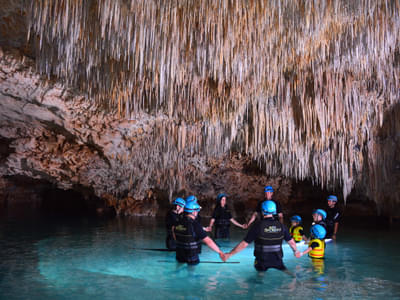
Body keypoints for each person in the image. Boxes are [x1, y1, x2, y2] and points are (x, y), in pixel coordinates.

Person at [222, 200, 299, 272]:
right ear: (274, 211)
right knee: (285, 271)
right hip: (278, 260)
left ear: (263, 211)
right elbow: (291, 242)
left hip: (261, 262)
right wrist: (296, 251)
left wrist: (229, 254)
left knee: (260, 277)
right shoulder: (282, 226)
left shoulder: (258, 226)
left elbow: (244, 244)